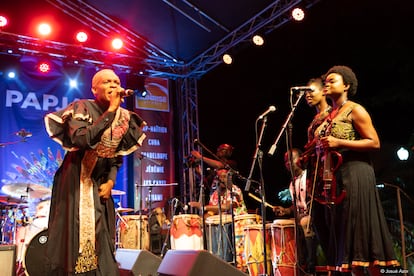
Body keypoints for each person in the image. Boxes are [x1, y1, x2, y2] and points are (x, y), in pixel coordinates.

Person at [43, 69, 147, 275]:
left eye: (116, 82)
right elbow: (82, 140)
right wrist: (110, 112)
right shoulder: (82, 107)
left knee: (102, 233)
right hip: (76, 180)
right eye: (107, 81)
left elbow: (116, 156)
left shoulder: (124, 118)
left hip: (99, 181)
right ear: (94, 88)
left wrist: (110, 181)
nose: (113, 85)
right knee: (80, 232)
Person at [314, 65, 399, 274]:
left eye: (332, 80)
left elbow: (374, 142)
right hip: (337, 179)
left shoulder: (355, 109)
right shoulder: (328, 115)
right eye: (326, 81)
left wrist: (338, 141)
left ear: (346, 86)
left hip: (356, 173)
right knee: (346, 236)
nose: (327, 84)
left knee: (360, 232)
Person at [273, 148, 317, 275]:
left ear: (300, 159)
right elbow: (295, 206)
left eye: (291, 159)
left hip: (313, 217)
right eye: (286, 161)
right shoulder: (293, 183)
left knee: (304, 222)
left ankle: (311, 267)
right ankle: (298, 266)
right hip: (301, 218)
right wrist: (286, 210)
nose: (288, 163)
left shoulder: (309, 176)